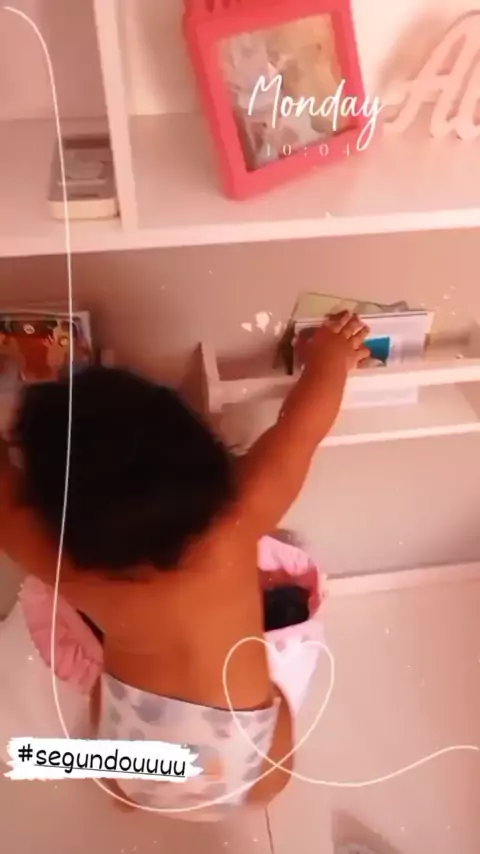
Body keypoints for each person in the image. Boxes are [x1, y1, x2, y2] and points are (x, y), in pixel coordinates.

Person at [0, 312, 370, 818]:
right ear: (207, 456)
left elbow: (8, 509)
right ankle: (219, 791)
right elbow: (303, 427)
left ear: (56, 516)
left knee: (108, 714)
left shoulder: (73, 569)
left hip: (136, 762)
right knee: (278, 709)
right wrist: (331, 358)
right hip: (245, 769)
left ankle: (129, 798)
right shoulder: (237, 521)